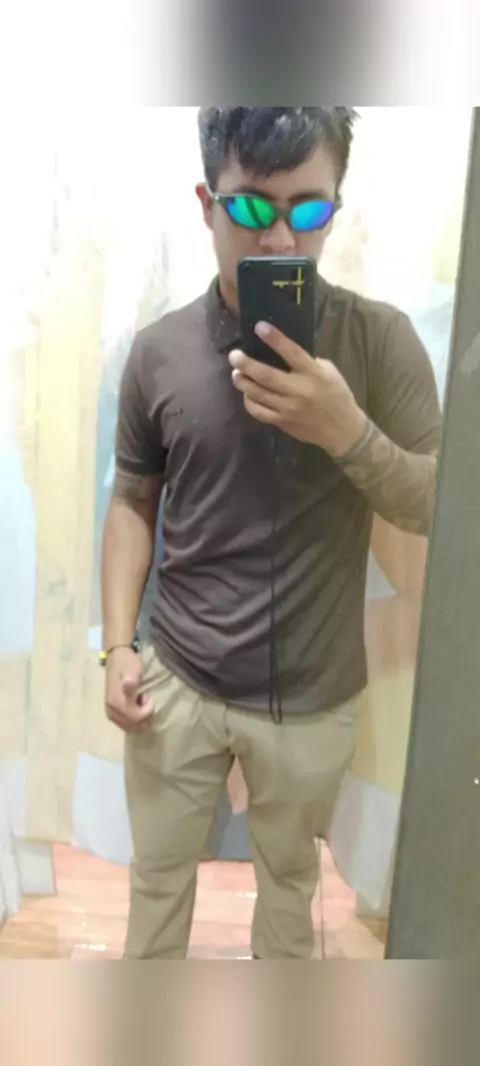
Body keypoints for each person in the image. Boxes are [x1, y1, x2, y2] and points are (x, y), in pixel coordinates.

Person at [101, 107, 441, 959]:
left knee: (290, 898)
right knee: (157, 889)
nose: (283, 238)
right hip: (177, 683)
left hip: (313, 695)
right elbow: (132, 501)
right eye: (253, 207)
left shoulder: (380, 342)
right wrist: (116, 647)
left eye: (310, 209)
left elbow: (442, 507)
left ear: (336, 207)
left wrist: (346, 430)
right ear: (207, 203)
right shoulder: (159, 352)